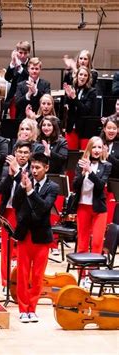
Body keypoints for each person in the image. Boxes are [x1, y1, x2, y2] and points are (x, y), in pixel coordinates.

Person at [12, 152, 59, 323]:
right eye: (32, 167)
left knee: (38, 275)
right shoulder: (25, 182)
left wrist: (31, 191)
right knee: (23, 274)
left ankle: (33, 308)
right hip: (25, 234)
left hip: (42, 236)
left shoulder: (53, 187)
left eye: (38, 167)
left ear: (46, 168)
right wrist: (21, 187)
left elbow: (44, 208)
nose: (34, 171)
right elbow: (16, 204)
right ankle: (23, 309)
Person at [72, 136, 111, 286]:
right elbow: (75, 186)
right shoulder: (80, 164)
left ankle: (93, 276)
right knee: (82, 242)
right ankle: (82, 276)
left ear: (102, 150)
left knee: (96, 243)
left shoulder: (106, 165)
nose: (96, 150)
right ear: (89, 148)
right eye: (94, 147)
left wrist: (90, 171)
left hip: (99, 209)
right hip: (83, 207)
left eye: (99, 147)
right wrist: (83, 173)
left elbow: (101, 185)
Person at [0, 140, 32, 290]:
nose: (22, 155)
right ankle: (6, 281)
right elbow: (1, 189)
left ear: (30, 155)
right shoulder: (7, 169)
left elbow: (27, 189)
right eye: (20, 152)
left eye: (25, 153)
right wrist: (10, 176)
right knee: (6, 248)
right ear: (15, 153)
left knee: (23, 249)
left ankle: (20, 279)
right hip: (8, 211)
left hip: (24, 213)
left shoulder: (33, 170)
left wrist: (17, 173)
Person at [64, 66, 98, 150]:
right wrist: (68, 98)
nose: (82, 77)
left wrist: (74, 98)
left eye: (85, 75)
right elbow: (68, 108)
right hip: (72, 127)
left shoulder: (92, 91)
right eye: (81, 74)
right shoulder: (72, 88)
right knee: (71, 154)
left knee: (84, 154)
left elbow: (85, 110)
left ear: (88, 78)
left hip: (85, 129)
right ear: (77, 75)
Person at [4, 41, 31, 117]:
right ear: (16, 52)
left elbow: (28, 77)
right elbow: (7, 77)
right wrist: (12, 63)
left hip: (25, 98)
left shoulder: (31, 63)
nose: (22, 56)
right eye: (20, 53)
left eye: (25, 53)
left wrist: (19, 67)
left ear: (29, 53)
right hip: (13, 98)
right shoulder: (15, 62)